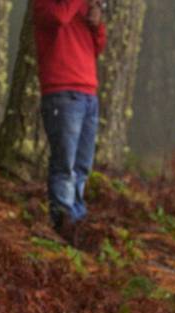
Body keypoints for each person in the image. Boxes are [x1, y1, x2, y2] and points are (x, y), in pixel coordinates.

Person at [33, 0, 106, 246]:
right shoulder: (47, 5)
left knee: (82, 165)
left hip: (88, 92)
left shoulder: (81, 7)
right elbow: (60, 18)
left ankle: (77, 219)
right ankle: (62, 223)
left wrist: (97, 24)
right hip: (62, 91)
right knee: (65, 164)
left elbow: (97, 47)